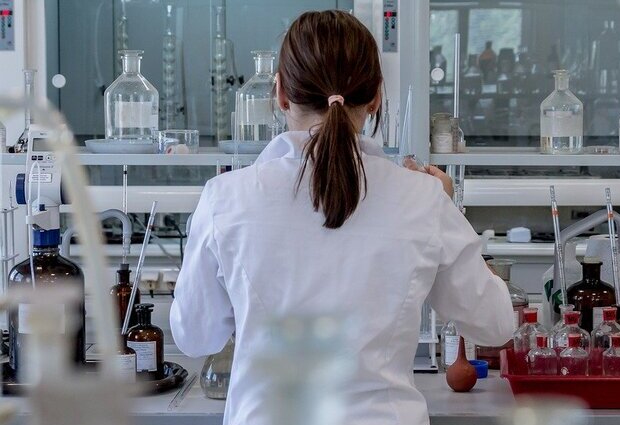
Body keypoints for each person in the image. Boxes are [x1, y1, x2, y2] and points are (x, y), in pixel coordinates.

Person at [170, 10, 515, 425]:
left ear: (280, 93)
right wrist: (448, 206)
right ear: (375, 97)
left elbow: (194, 337)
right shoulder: (422, 198)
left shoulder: (225, 199)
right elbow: (495, 326)